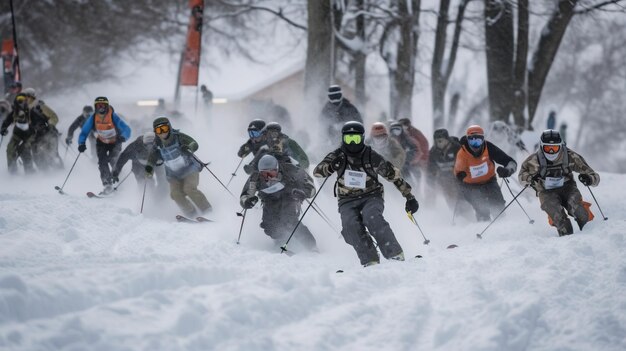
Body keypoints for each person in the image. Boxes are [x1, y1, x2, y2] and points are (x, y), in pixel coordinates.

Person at [313, 121, 419, 267]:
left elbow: (393, 175)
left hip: (371, 196)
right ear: (343, 139)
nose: (351, 143)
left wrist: (409, 197)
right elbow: (318, 172)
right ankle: (370, 259)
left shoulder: (370, 155)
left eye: (355, 139)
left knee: (372, 217)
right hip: (347, 199)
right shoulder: (338, 155)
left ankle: (394, 253)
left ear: (362, 138)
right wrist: (331, 165)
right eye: (348, 139)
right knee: (350, 226)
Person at [518, 130, 599, 236]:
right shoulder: (533, 160)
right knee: (557, 214)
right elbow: (521, 177)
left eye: (555, 148)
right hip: (546, 191)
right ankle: (566, 239)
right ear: (542, 147)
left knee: (577, 209)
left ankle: (592, 233)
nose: (551, 152)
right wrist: (530, 179)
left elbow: (593, 175)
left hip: (568, 187)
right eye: (548, 148)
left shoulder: (570, 156)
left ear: (560, 146)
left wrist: (589, 179)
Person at [240, 154, 319, 252]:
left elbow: (311, 188)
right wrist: (247, 201)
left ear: (277, 169)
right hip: (269, 201)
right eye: (265, 174)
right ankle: (281, 243)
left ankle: (311, 246)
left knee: (289, 222)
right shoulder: (255, 178)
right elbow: (245, 195)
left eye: (272, 173)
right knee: (269, 226)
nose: (269, 177)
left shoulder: (291, 171)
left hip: (289, 198)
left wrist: (303, 193)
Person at [145, 117, 211, 216]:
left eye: (164, 128)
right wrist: (149, 169)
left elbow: (194, 144)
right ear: (156, 132)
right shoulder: (157, 145)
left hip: (189, 169)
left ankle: (207, 210)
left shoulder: (178, 137)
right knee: (175, 194)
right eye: (159, 130)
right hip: (173, 174)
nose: (162, 132)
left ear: (169, 127)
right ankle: (191, 212)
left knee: (189, 189)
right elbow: (151, 159)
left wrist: (188, 148)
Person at [454, 125, 517, 221]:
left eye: (478, 141)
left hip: (490, 181)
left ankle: (502, 226)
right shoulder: (462, 153)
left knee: (498, 207)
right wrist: (460, 176)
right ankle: (483, 225)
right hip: (471, 186)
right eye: (472, 141)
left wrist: (507, 171)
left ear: (483, 140)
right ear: (467, 140)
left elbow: (510, 162)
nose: (475, 145)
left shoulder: (489, 148)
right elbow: (457, 172)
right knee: (482, 209)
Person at [78, 96, 131, 194]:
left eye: (103, 105)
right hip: (102, 142)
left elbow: (126, 129)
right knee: (102, 162)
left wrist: (123, 137)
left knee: (113, 160)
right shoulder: (93, 117)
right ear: (95, 107)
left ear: (107, 106)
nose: (101, 108)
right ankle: (107, 185)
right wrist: (81, 143)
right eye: (98, 106)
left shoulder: (113, 116)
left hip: (115, 141)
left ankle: (119, 182)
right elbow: (84, 131)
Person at [22, 87, 63, 170]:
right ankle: (45, 177)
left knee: (52, 155)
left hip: (47, 134)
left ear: (31, 97)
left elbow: (54, 117)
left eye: (26, 97)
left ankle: (61, 173)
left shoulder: (40, 106)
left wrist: (49, 126)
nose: (24, 99)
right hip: (34, 137)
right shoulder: (24, 110)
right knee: (37, 158)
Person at [244, 122, 309, 174]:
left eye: (274, 134)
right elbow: (258, 158)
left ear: (279, 133)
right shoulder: (265, 146)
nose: (272, 137)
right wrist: (251, 167)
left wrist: (298, 168)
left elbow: (304, 160)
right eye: (269, 134)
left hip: (288, 171)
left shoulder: (288, 142)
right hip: (269, 173)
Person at [0, 93, 35, 174]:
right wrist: (3, 129)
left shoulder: (31, 112)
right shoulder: (14, 112)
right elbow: (6, 122)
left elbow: (37, 123)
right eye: (19, 100)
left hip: (28, 136)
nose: (21, 102)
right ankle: (13, 172)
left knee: (25, 150)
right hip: (17, 135)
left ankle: (30, 173)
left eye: (23, 100)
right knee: (10, 149)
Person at [427, 128, 462, 209]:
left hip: (459, 177)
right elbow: (430, 168)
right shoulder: (433, 152)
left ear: (447, 140)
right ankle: (456, 213)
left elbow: (465, 162)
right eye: (436, 141)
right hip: (444, 179)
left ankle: (468, 214)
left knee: (463, 197)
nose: (438, 143)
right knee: (450, 197)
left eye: (440, 141)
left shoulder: (457, 148)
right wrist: (430, 182)